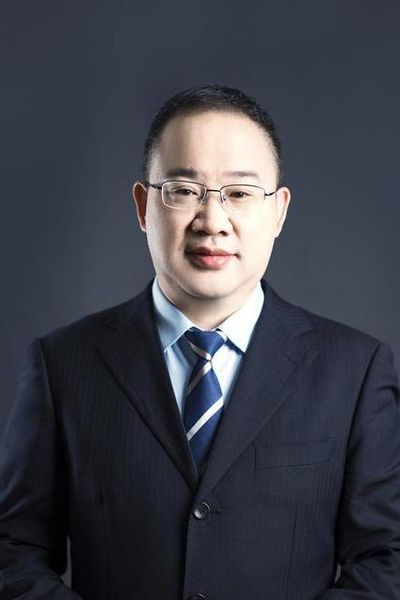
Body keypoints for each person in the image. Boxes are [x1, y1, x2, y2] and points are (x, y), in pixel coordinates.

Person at [0, 84, 399, 600]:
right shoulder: (62, 364)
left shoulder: (355, 370)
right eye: (184, 190)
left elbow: (386, 558)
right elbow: (14, 549)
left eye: (239, 193)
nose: (212, 222)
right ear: (143, 205)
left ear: (278, 212)